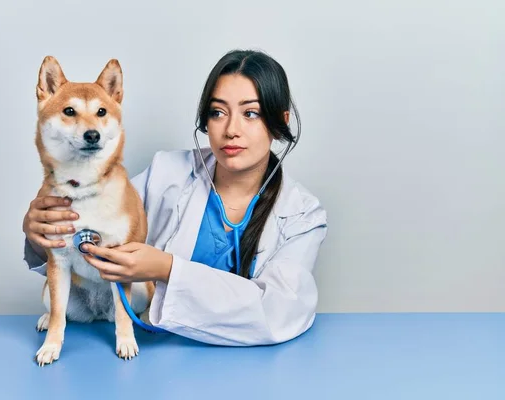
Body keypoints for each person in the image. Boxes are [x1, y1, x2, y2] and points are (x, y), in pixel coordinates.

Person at [22, 49, 328, 346]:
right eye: (218, 112)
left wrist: (167, 269)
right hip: (160, 354)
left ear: (280, 121)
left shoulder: (303, 215)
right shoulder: (166, 173)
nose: (232, 129)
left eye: (251, 113)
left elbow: (278, 313)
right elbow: (84, 234)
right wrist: (38, 233)